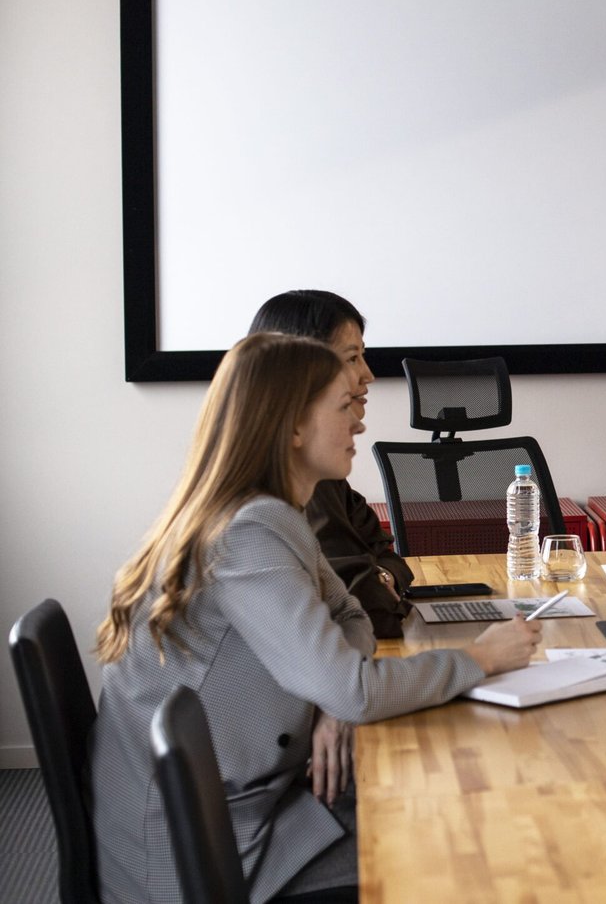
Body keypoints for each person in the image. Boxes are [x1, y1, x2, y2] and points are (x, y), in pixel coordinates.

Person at [90, 333, 541, 903]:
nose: (359, 422)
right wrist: (481, 656)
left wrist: (332, 696)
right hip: (203, 852)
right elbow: (354, 687)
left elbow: (350, 615)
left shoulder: (273, 512)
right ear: (293, 427)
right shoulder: (249, 531)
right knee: (454, 836)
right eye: (344, 406)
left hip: (245, 801)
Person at [250, 289, 412, 636]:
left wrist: (383, 575)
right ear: (302, 369)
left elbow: (387, 554)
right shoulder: (288, 485)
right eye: (352, 359)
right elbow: (372, 614)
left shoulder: (320, 470)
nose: (368, 375)